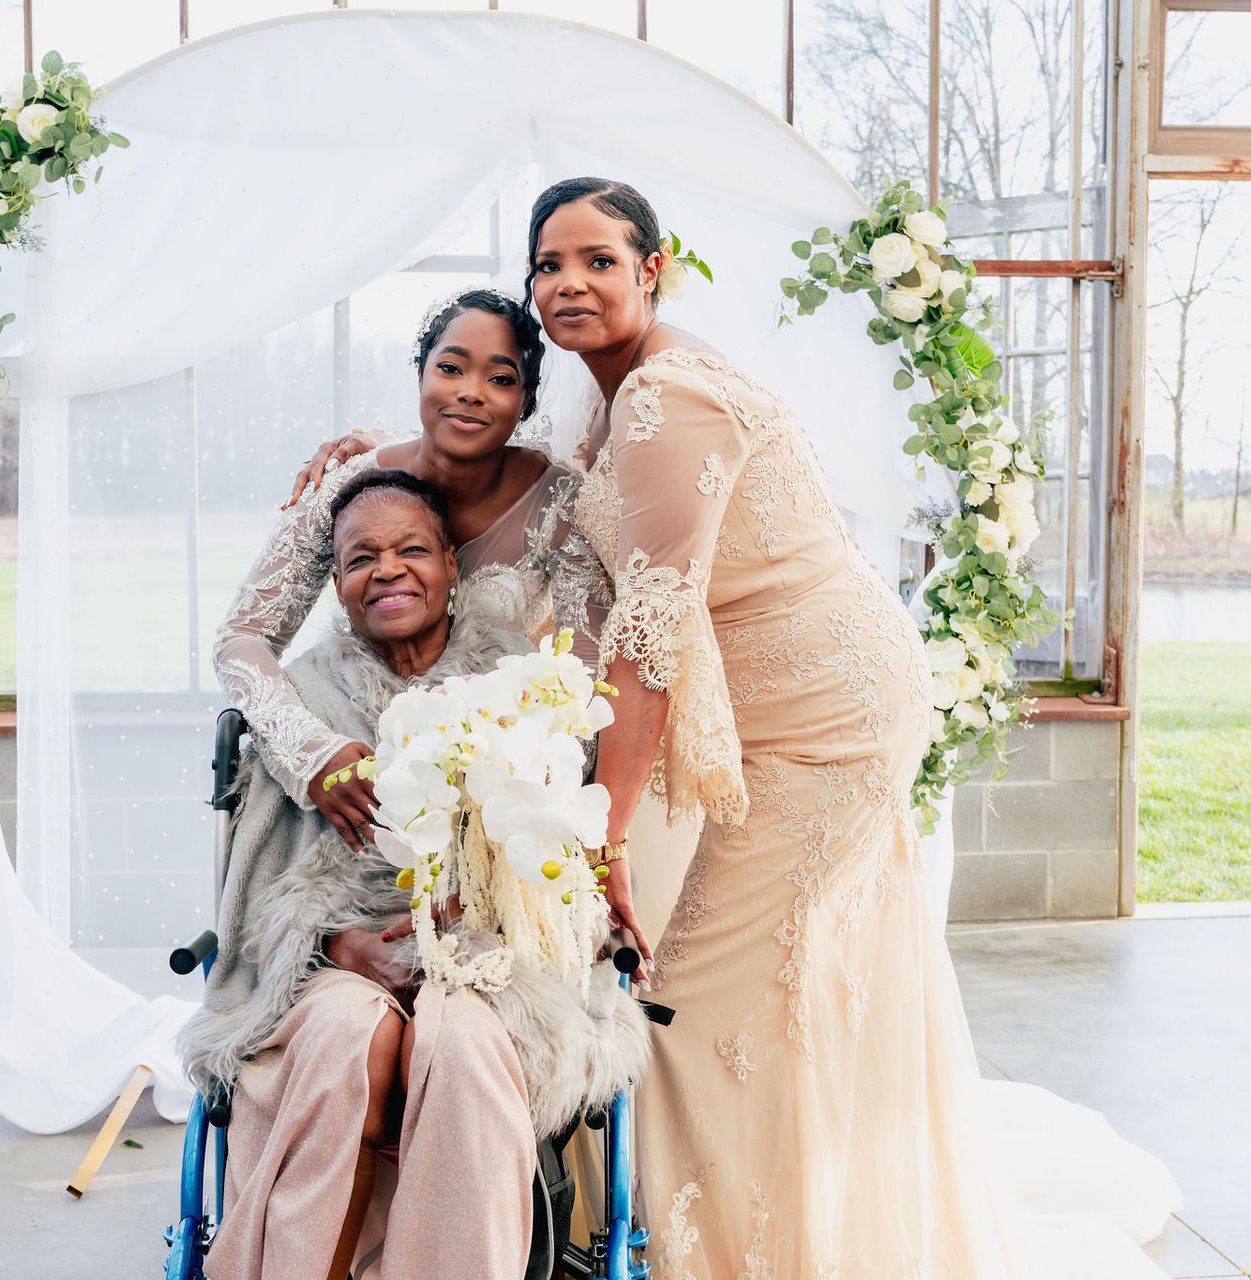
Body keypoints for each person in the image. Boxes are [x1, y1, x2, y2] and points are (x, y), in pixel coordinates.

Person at [517, 175, 1170, 1278]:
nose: (568, 282)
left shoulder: (665, 394)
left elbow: (655, 623)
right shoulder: (610, 395)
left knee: (689, 1001)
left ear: (653, 269)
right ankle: (812, 1227)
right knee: (785, 991)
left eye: (597, 259)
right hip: (800, 703)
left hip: (831, 717)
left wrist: (606, 836)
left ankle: (726, 1252)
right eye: (547, 264)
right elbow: (571, 536)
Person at [181, 469, 648, 1280]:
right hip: (343, 958)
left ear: (451, 567)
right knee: (343, 1033)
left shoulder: (521, 683)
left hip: (495, 963)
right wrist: (331, 945)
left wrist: (492, 903)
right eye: (363, 557)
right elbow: (265, 877)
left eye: (411, 550)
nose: (388, 569)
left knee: (460, 1038)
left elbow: (561, 857)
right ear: (335, 583)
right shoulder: (303, 700)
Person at [214, 288, 607, 857]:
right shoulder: (343, 484)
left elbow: (587, 674)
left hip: (486, 778)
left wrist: (504, 778)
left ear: (525, 403)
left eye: (500, 379)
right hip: (355, 760)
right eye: (450, 369)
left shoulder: (561, 505)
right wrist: (311, 753)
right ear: (420, 376)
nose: (471, 393)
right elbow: (242, 636)